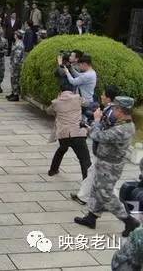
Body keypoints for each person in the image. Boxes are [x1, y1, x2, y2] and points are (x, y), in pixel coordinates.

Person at [74, 96, 140, 237]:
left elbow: (98, 136)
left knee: (106, 195)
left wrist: (96, 121)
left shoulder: (123, 129)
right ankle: (92, 217)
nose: (113, 110)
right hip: (105, 162)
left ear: (121, 111)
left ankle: (129, 221)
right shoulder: (122, 123)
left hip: (110, 167)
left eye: (115, 108)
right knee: (97, 189)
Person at [71, 85, 120, 205]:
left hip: (104, 150)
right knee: (94, 172)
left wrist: (96, 121)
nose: (101, 96)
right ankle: (83, 196)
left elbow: (104, 132)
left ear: (108, 98)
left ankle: (115, 202)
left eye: (103, 95)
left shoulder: (110, 113)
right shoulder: (113, 110)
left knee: (103, 176)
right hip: (106, 150)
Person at [46, 81, 91, 178]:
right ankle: (86, 184)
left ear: (60, 91)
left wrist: (58, 100)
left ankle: (53, 170)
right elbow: (87, 104)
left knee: (61, 149)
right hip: (78, 133)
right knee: (85, 160)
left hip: (64, 135)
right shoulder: (78, 98)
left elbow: (48, 111)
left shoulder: (56, 102)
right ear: (73, 90)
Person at [6, 30, 25, 102]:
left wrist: (13, 66)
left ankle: (16, 95)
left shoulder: (19, 44)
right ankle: (13, 93)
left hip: (16, 66)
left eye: (15, 34)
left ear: (17, 36)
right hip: (15, 65)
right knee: (13, 79)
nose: (14, 35)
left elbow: (17, 57)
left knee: (15, 79)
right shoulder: (17, 43)